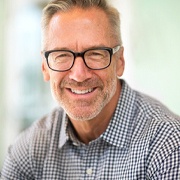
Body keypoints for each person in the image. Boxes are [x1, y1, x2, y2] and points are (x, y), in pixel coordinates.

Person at [1, 0, 180, 179]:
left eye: (95, 53)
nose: (79, 75)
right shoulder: (29, 151)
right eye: (62, 55)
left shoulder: (168, 143)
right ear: (45, 67)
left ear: (119, 61)